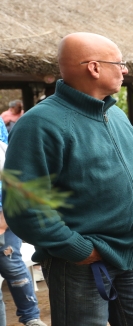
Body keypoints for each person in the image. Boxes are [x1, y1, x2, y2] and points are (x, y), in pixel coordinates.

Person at [2, 32, 133, 325]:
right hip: (80, 266)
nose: (124, 70)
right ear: (94, 68)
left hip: (131, 257)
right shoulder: (39, 124)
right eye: (119, 63)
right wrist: (76, 249)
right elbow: (23, 205)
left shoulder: (117, 116)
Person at [0, 122, 47, 326]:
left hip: (4, 211)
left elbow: (10, 170)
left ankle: (30, 317)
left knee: (11, 264)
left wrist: (4, 216)